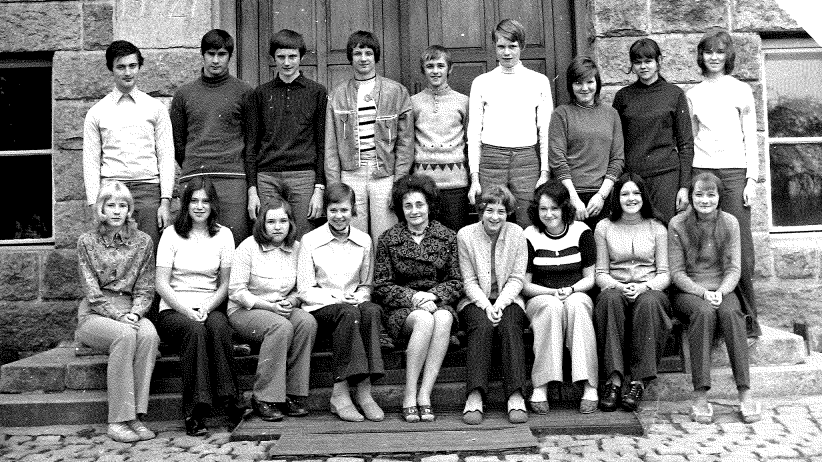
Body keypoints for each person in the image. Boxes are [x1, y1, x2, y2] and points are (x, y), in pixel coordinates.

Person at [154, 177, 249, 436]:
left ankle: (231, 402)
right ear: (186, 204)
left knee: (219, 327)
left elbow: (225, 284)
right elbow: (161, 284)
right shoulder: (171, 234)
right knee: (195, 331)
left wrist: (207, 307)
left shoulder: (224, 235)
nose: (199, 206)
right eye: (194, 201)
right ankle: (195, 411)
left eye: (205, 201)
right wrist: (187, 311)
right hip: (174, 309)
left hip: (209, 304)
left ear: (212, 204)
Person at [686, 29, 761, 338]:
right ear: (701, 56)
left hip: (734, 172)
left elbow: (750, 137)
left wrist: (751, 179)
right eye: (708, 52)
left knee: (741, 248)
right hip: (703, 169)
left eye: (719, 52)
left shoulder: (741, 90)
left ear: (728, 56)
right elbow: (690, 139)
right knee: (705, 243)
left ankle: (748, 319)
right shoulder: (693, 94)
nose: (714, 57)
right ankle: (713, 317)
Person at [669, 172, 760, 423]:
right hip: (689, 291)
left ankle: (745, 392)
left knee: (731, 313)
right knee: (703, 312)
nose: (705, 200)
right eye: (699, 195)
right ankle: (700, 395)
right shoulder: (678, 224)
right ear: (691, 197)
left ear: (719, 197)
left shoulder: (730, 222)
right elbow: (676, 273)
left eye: (711, 195)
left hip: (722, 288)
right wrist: (703, 293)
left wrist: (720, 292)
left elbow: (734, 268)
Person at [75, 180, 159, 442]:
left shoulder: (143, 241)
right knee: (124, 335)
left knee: (149, 335)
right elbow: (92, 291)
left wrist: (136, 312)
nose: (116, 211)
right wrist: (119, 317)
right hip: (96, 314)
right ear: (101, 208)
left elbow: (146, 286)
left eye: (122, 205)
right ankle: (118, 421)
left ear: (129, 209)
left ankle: (135, 417)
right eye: (110, 205)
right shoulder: (87, 242)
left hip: (131, 309)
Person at [374, 174, 463, 423]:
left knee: (443, 318)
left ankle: (425, 394)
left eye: (419, 204)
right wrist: (414, 297)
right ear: (401, 209)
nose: (414, 211)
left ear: (429, 206)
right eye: (408, 205)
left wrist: (433, 295)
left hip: (437, 302)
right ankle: (410, 394)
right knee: (424, 320)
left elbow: (457, 281)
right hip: (403, 309)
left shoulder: (447, 236)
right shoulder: (388, 239)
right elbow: (381, 285)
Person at [297, 182, 385, 422]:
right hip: (321, 308)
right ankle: (340, 393)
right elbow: (304, 289)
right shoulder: (310, 240)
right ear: (326, 210)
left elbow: (366, 284)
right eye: (333, 210)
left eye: (344, 210)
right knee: (347, 313)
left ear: (353, 210)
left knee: (372, 310)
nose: (339, 216)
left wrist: (360, 296)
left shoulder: (364, 240)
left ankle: (365, 392)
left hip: (352, 306)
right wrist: (337, 298)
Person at [228, 186, 317, 422]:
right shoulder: (248, 247)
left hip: (282, 307)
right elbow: (236, 291)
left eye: (283, 221)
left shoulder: (298, 248)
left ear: (290, 223)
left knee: (307, 322)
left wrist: (291, 300)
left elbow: (303, 288)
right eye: (271, 222)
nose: (277, 227)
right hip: (246, 310)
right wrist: (270, 307)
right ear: (262, 224)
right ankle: (264, 397)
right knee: (280, 326)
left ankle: (293, 394)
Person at [83, 40, 175, 248]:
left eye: (132, 66)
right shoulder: (97, 112)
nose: (127, 72)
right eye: (121, 67)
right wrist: (94, 205)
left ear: (139, 67)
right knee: (113, 253)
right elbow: (90, 162)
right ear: (111, 69)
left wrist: (165, 202)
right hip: (112, 193)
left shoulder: (155, 108)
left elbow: (166, 157)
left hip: (148, 192)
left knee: (149, 252)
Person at [594, 173, 671, 412]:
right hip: (616, 286)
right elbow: (600, 273)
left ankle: (638, 383)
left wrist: (644, 287)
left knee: (649, 303)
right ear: (617, 198)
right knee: (608, 300)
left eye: (636, 193)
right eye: (625, 193)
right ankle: (614, 381)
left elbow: (664, 274)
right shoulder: (604, 227)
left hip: (649, 288)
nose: (631, 198)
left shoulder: (657, 227)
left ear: (643, 196)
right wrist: (618, 286)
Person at [325, 30, 413, 239]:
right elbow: (331, 146)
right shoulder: (338, 94)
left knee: (385, 235)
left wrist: (399, 183)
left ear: (376, 56)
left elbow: (405, 144)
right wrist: (335, 185)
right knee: (354, 236)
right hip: (350, 174)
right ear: (350, 57)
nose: (363, 58)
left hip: (384, 174)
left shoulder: (396, 92)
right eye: (357, 53)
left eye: (368, 53)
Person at [466, 19, 553, 228]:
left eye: (512, 46)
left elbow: (546, 131)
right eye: (501, 46)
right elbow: (474, 132)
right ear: (494, 47)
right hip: (491, 160)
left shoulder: (538, 81)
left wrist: (544, 172)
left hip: (526, 161)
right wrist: (475, 177)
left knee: (529, 223)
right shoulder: (482, 82)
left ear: (521, 46)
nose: (506, 52)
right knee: (490, 222)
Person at [170, 29, 253, 246]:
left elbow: (251, 141)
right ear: (202, 54)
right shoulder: (183, 94)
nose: (216, 60)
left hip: (232, 179)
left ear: (230, 56)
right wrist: (195, 165)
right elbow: (177, 142)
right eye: (211, 54)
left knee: (235, 241)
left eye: (222, 54)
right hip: (195, 177)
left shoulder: (244, 92)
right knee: (194, 243)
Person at [522, 180, 598, 415]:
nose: (549, 214)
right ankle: (541, 386)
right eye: (543, 209)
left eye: (554, 208)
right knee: (551, 307)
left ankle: (589, 385)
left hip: (576, 293)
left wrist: (572, 290)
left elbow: (590, 279)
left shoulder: (581, 232)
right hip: (541, 297)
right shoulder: (530, 235)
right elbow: (525, 285)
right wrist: (551, 293)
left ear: (565, 207)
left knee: (577, 305)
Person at [246, 29, 328, 240]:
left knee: (303, 238)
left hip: (303, 176)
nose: (287, 62)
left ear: (302, 57)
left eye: (292, 56)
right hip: (267, 177)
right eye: (281, 57)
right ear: (273, 58)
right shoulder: (260, 93)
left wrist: (319, 189)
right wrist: (252, 190)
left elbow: (322, 144)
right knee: (269, 236)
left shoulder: (317, 92)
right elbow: (251, 145)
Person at [456, 185, 528, 425]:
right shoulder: (466, 235)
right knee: (482, 325)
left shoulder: (517, 234)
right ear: (481, 211)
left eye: (501, 211)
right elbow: (468, 280)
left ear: (508, 213)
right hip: (475, 299)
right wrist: (487, 306)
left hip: (510, 298)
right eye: (489, 210)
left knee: (510, 325)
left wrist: (501, 304)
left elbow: (517, 278)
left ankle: (516, 394)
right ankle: (475, 395)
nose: (495, 217)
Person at [612, 38, 694, 224]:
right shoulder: (623, 97)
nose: (643, 67)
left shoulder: (674, 94)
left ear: (659, 61)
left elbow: (686, 144)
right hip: (633, 179)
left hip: (666, 178)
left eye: (648, 61)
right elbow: (615, 144)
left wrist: (684, 187)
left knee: (665, 229)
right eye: (637, 62)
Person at [549, 56, 624, 231]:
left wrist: (601, 196)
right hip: (569, 195)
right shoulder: (561, 114)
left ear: (597, 83)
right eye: (578, 83)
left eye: (589, 82)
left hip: (603, 196)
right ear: (570, 85)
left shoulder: (611, 114)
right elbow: (557, 159)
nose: (584, 88)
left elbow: (617, 159)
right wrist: (573, 198)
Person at [411, 45, 470, 232]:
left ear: (449, 69)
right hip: (423, 184)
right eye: (430, 66)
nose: (435, 71)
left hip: (456, 184)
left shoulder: (463, 101)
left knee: (454, 234)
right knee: (425, 234)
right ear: (423, 70)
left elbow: (470, 142)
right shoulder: (413, 102)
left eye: (440, 66)